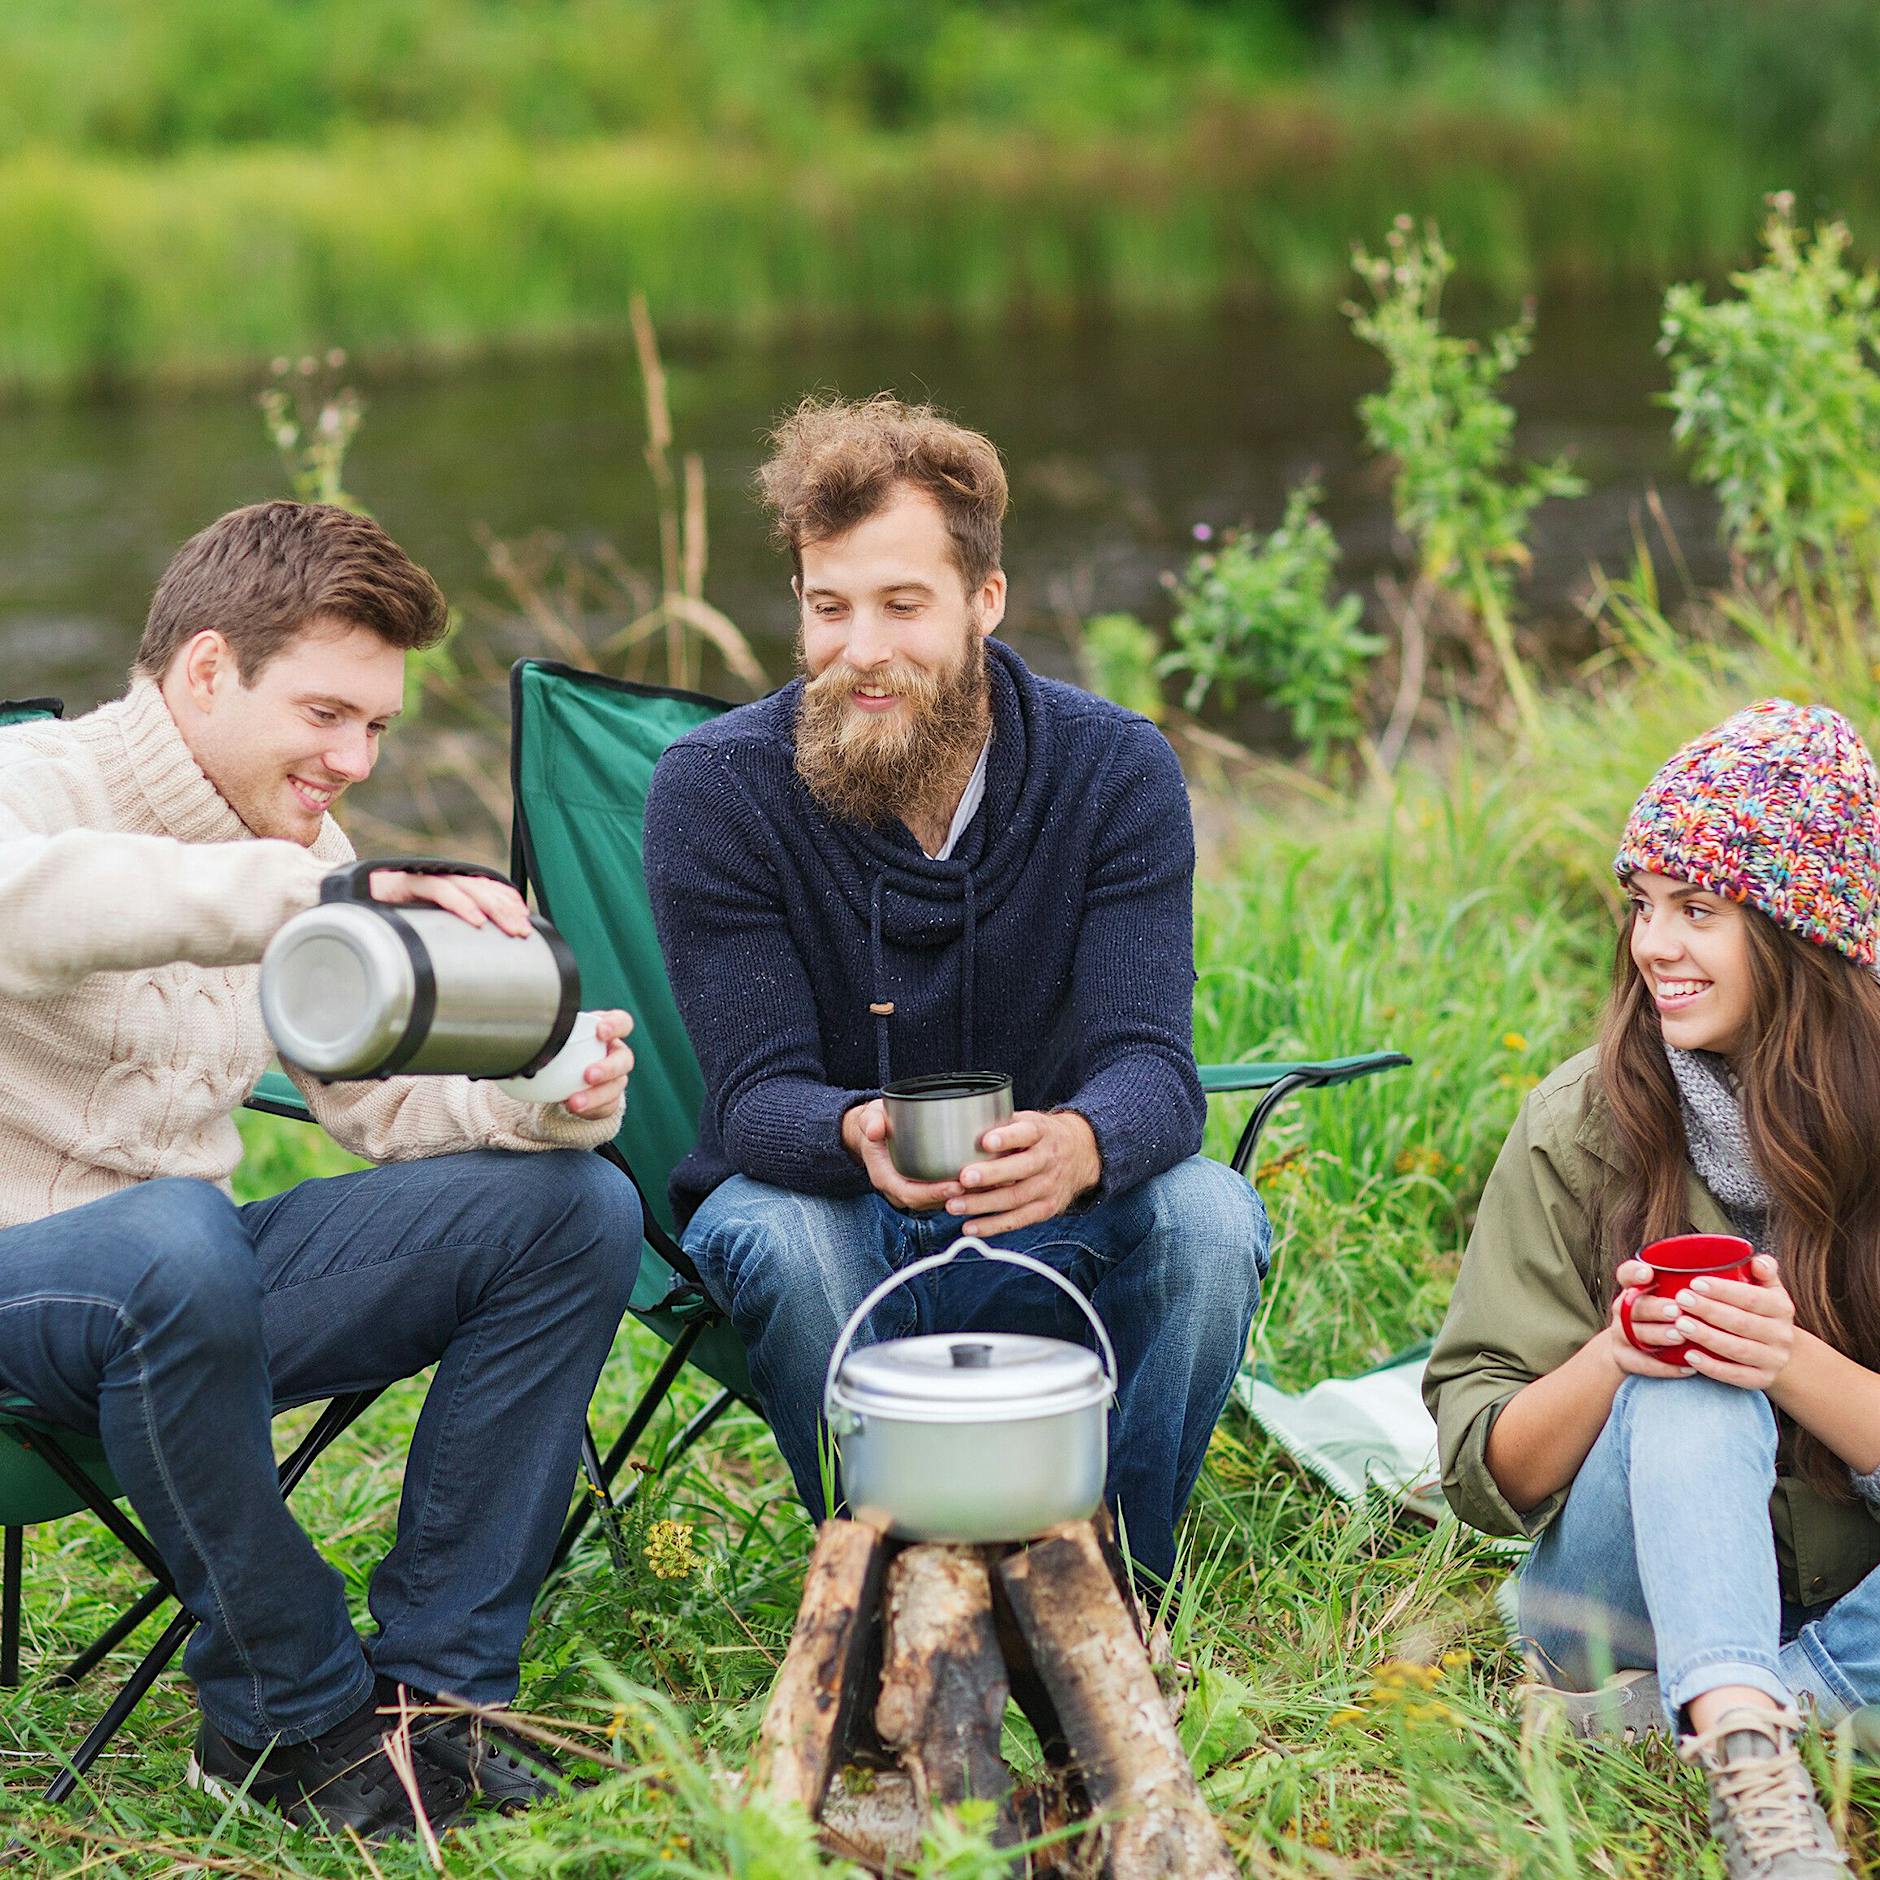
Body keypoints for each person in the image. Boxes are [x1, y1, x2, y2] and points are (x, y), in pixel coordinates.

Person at [0, 502, 642, 1839]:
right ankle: (284, 1715)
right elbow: (37, 901)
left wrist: (540, 1097)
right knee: (172, 1235)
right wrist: (310, 898)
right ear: (207, 669)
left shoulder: (306, 855)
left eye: (378, 727)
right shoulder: (34, 787)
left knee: (573, 1210)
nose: (354, 760)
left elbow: (384, 1100)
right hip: (35, 1290)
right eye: (326, 714)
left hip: (187, 1304)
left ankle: (432, 1703)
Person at [641, 394, 1267, 1591]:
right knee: (774, 1234)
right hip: (831, 1215)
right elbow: (754, 1097)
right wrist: (852, 1130)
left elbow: (1152, 1068)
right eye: (828, 607)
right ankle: (890, 1588)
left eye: (901, 604)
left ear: (985, 599)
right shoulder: (716, 789)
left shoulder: (1111, 769)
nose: (860, 649)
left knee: (1209, 1217)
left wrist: (1081, 1143)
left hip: (1050, 1217)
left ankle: (1111, 1585)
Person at [1425, 699, 1880, 1877]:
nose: (1652, 944)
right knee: (1688, 1372)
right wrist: (1617, 1354)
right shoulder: (1578, 1122)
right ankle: (1751, 1773)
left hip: (1848, 1589)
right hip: (1608, 1601)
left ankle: (1737, 1706)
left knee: (1728, 1353)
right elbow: (1481, 1470)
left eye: (1697, 909)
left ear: (1799, 931)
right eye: (1641, 903)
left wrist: (1789, 1358)